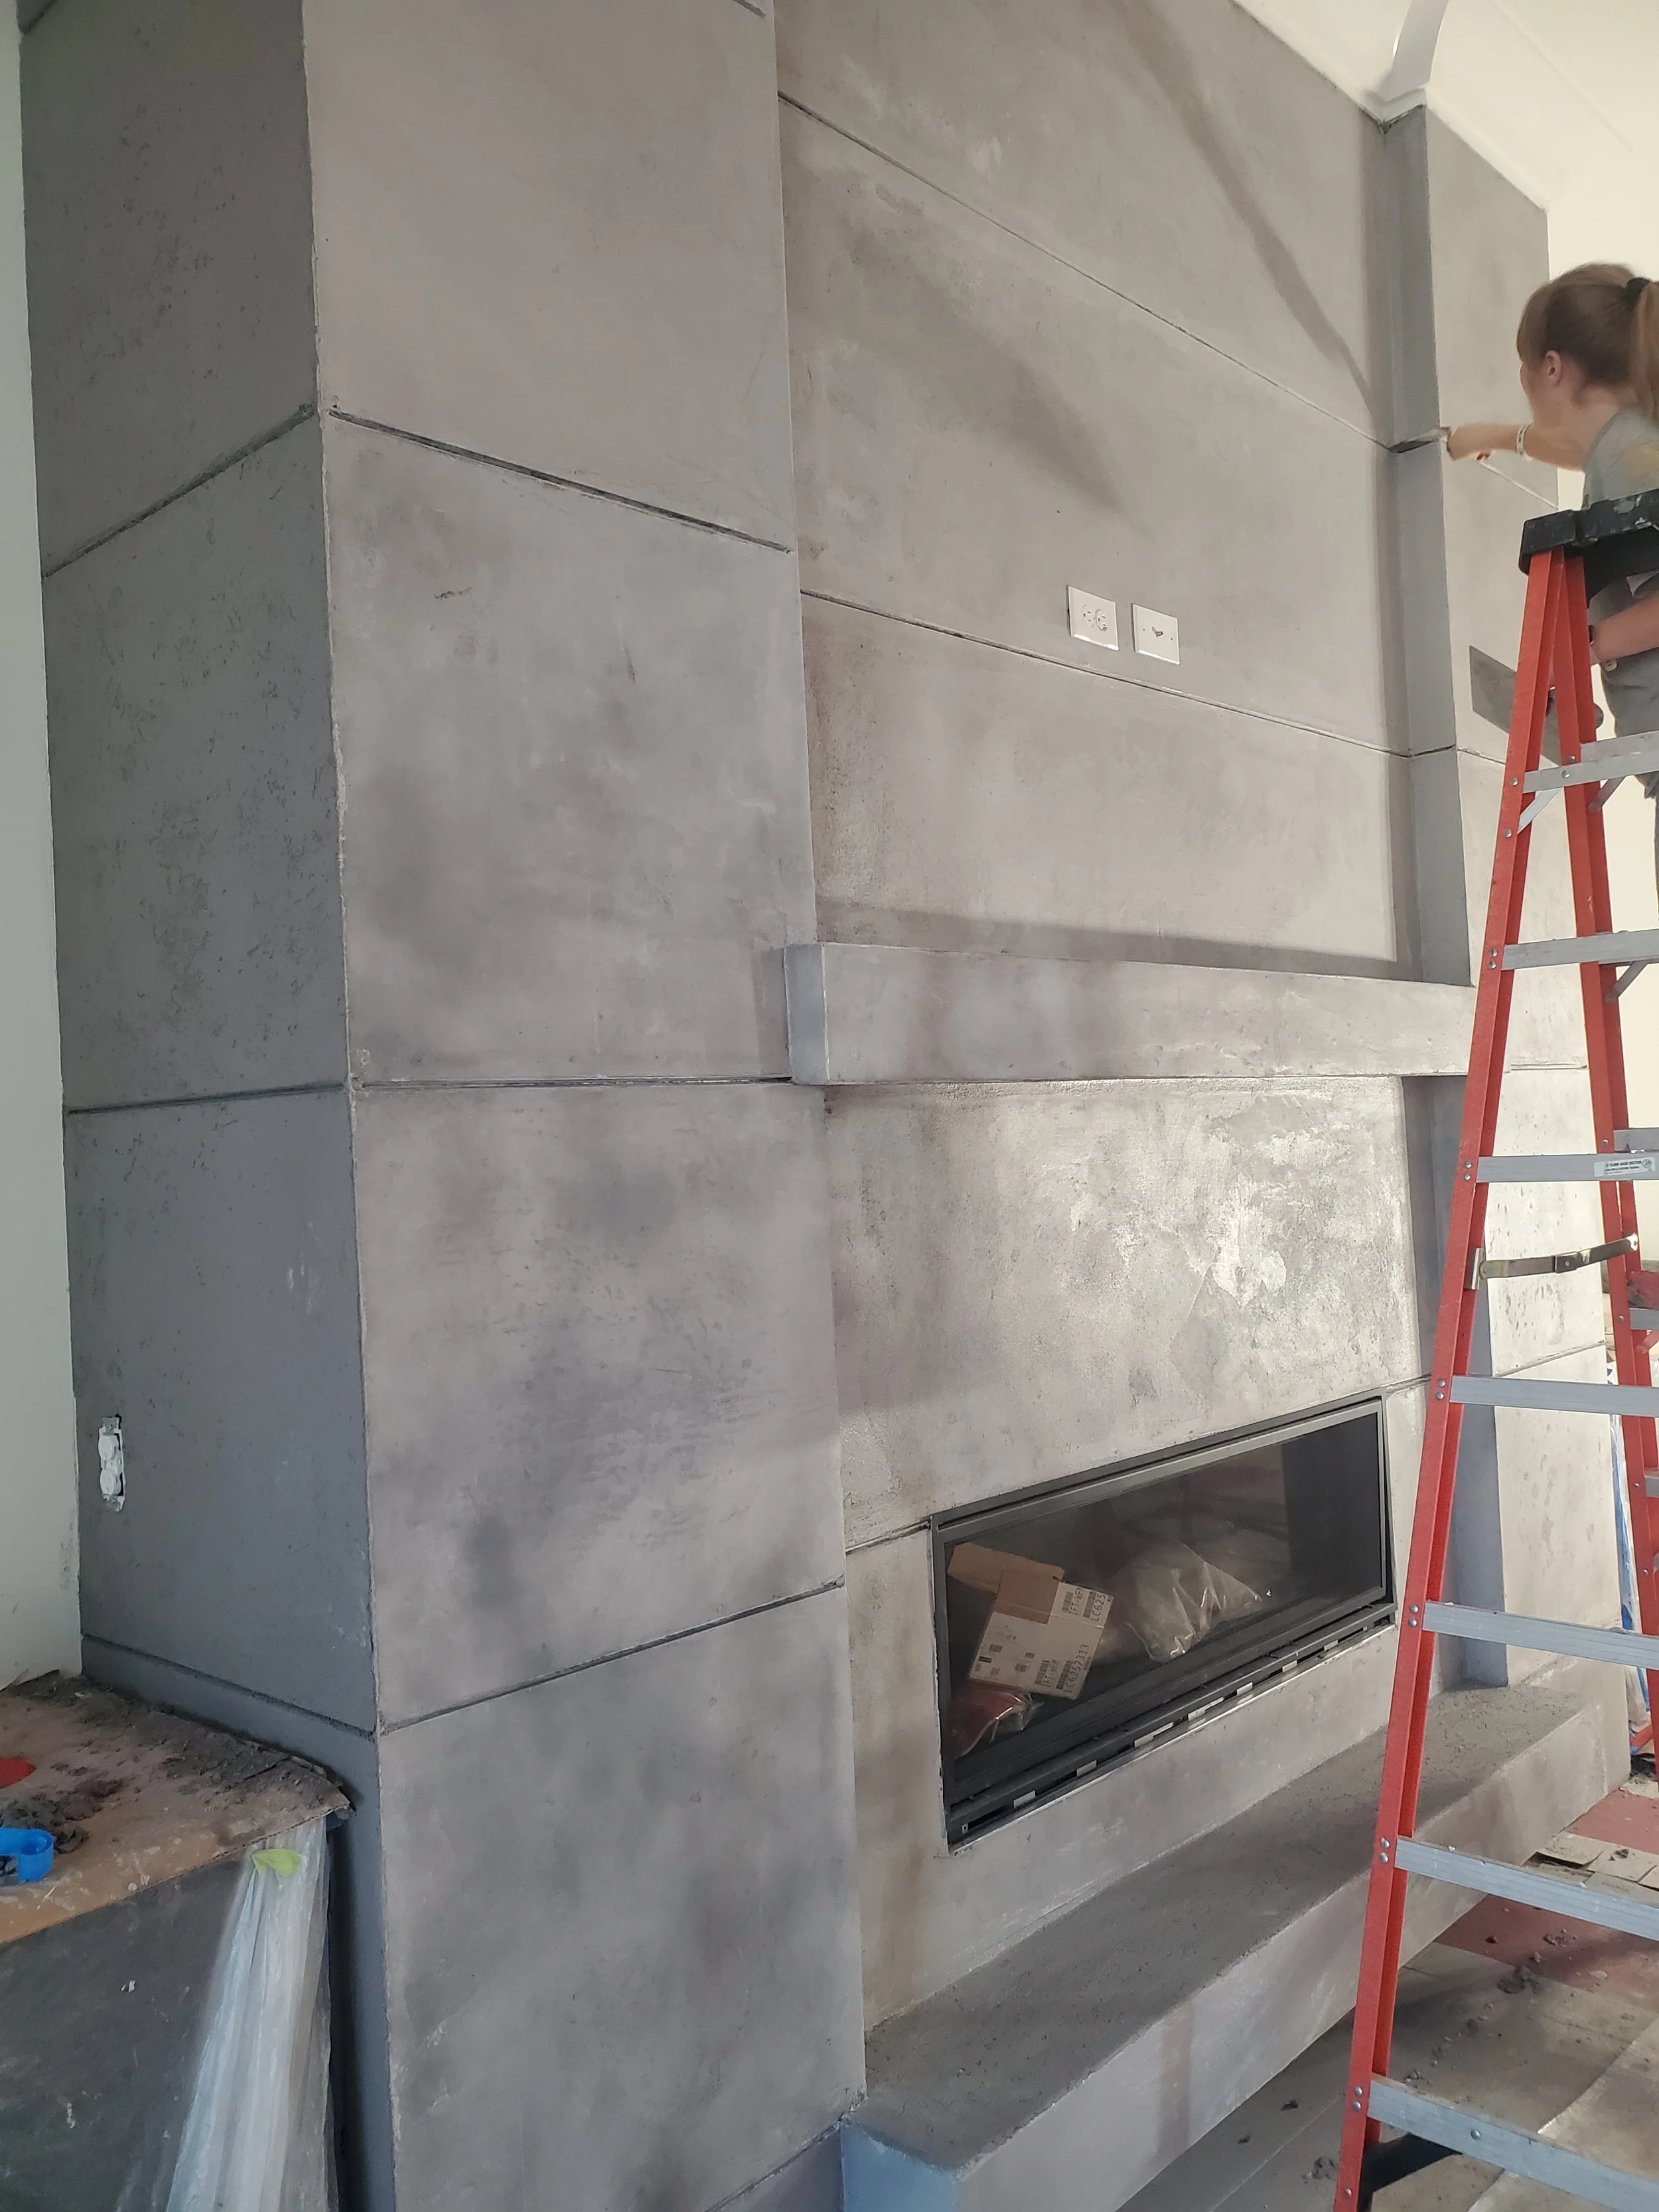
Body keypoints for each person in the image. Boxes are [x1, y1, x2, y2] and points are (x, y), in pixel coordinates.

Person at [1445, 263, 1659, 873]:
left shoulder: (1631, 458)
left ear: (1552, 367)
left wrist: (1584, 646)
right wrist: (1487, 435)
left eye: (1524, 367)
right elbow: (1569, 442)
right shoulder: (1628, 442)